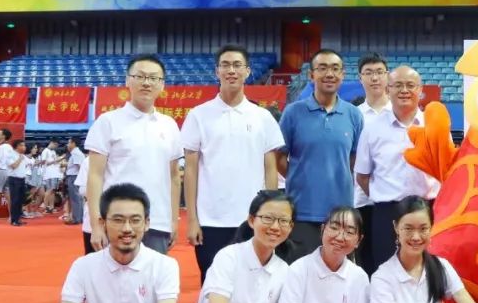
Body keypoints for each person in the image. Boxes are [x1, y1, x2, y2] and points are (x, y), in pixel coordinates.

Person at [183, 44, 284, 284]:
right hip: (211, 220)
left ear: (247, 71)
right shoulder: (199, 115)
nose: (231, 70)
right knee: (213, 285)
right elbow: (191, 170)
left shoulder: (262, 117)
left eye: (237, 65)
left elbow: (271, 169)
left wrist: (270, 215)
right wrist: (192, 219)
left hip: (252, 219)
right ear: (216, 71)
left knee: (252, 284)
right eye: (225, 65)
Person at [86, 54, 183, 254]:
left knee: (151, 274)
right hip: (114, 221)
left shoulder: (170, 125)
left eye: (154, 78)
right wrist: (96, 224)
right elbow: (95, 175)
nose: (147, 83)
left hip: (156, 222)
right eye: (140, 76)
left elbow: (174, 177)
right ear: (127, 81)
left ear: (162, 85)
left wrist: (173, 221)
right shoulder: (108, 122)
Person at [355, 66, 440, 275]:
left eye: (410, 85)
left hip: (428, 211)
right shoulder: (373, 128)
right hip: (387, 214)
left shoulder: (435, 125)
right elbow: (362, 176)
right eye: (398, 85)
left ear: (420, 90)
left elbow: (445, 169)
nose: (404, 90)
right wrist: (383, 196)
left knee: (427, 273)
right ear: (388, 89)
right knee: (385, 273)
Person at [277, 50, 363, 253]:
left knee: (338, 270)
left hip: (341, 213)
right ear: (311, 75)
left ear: (342, 74)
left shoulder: (354, 114)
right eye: (322, 68)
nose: (329, 74)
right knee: (301, 270)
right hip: (301, 211)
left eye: (335, 69)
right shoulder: (293, 112)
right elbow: (279, 157)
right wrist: (301, 176)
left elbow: (354, 159)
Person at [354, 52, 391, 272]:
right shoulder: (354, 115)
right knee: (366, 261)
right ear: (360, 78)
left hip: (392, 199)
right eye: (368, 73)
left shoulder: (399, 112)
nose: (374, 78)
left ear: (387, 76)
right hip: (361, 200)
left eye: (379, 72)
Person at [6, 139, 29, 226]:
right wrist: (20, 159)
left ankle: (18, 219)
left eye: (24, 145)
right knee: (15, 200)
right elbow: (13, 166)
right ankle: (14, 220)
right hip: (14, 179)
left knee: (20, 200)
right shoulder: (10, 154)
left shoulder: (23, 155)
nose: (24, 147)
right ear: (17, 146)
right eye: (22, 145)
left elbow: (31, 162)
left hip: (22, 179)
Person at [64, 138, 85, 225]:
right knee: (77, 198)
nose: (67, 144)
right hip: (74, 176)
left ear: (73, 143)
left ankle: (77, 218)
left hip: (74, 177)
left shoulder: (76, 153)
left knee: (75, 198)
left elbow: (79, 166)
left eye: (69, 143)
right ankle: (79, 217)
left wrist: (81, 178)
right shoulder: (76, 152)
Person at [40, 140, 61, 214]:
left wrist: (57, 161)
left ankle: (51, 207)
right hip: (49, 173)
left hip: (54, 173)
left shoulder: (53, 152)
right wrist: (58, 159)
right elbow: (45, 163)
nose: (56, 147)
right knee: (49, 190)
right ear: (51, 143)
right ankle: (45, 207)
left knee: (53, 191)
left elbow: (54, 161)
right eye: (55, 145)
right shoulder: (45, 151)